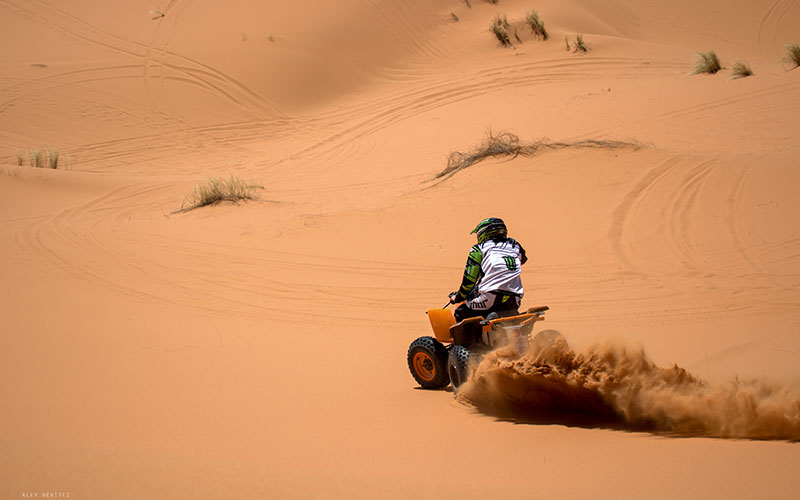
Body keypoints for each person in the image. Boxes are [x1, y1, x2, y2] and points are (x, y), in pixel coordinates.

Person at [450, 217, 527, 322]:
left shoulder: (478, 249)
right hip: (515, 300)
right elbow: (523, 259)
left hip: (490, 298)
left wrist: (458, 297)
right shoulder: (515, 245)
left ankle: (477, 338)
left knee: (461, 311)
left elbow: (469, 282)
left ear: (484, 233)